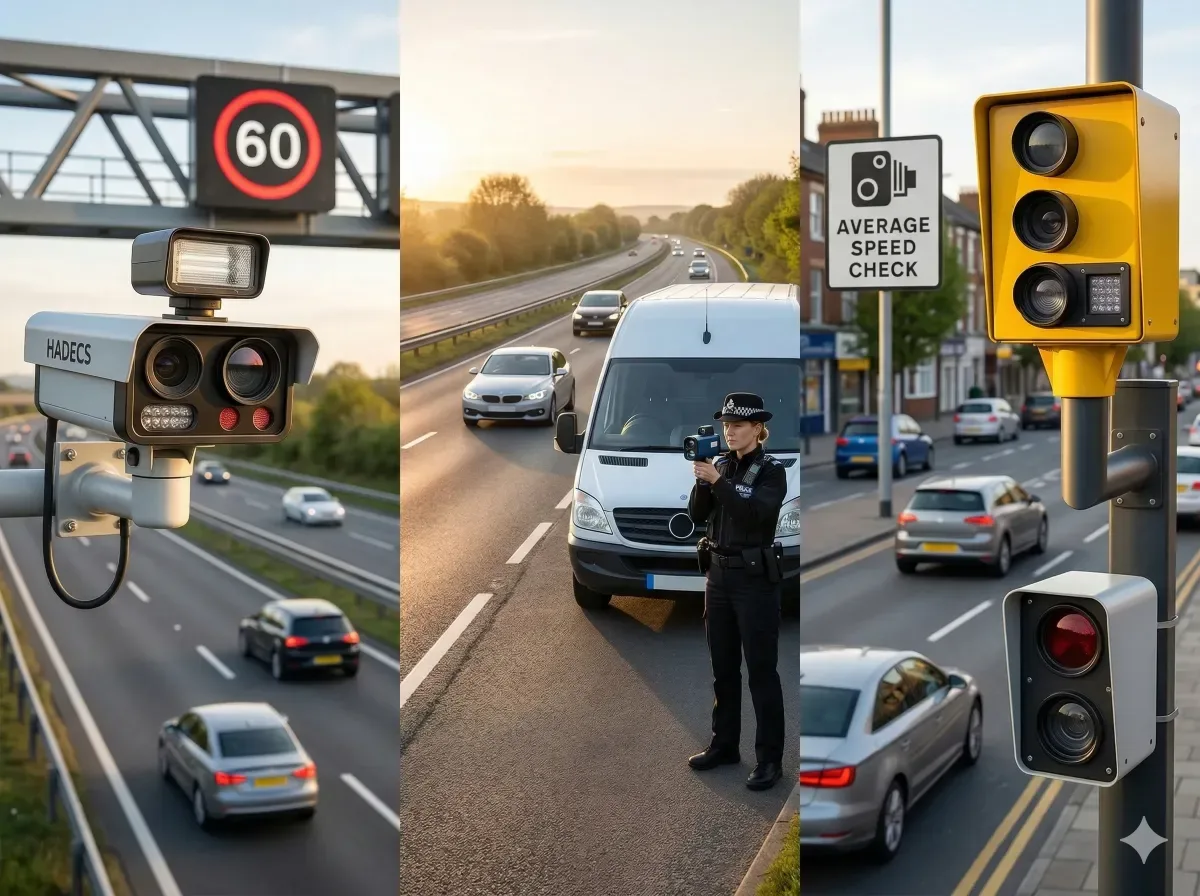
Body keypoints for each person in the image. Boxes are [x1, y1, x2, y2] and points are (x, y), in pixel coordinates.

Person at [685, 392, 787, 791]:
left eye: (738, 425)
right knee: (722, 670)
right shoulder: (720, 464)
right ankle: (724, 744)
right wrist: (703, 481)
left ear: (758, 429)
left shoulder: (771, 470)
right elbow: (697, 516)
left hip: (755, 581)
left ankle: (769, 761)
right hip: (719, 577)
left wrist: (718, 482)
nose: (729, 431)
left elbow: (756, 514)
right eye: (726, 424)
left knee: (761, 673)